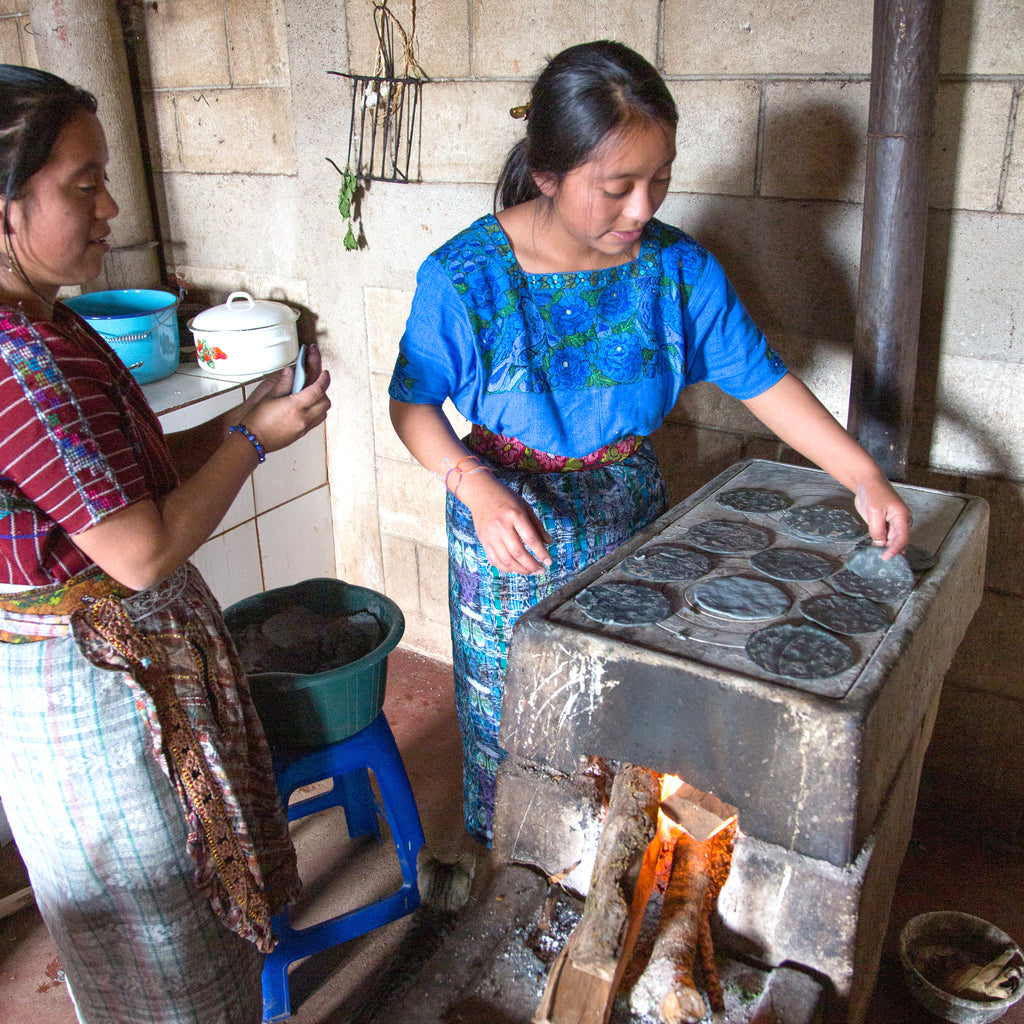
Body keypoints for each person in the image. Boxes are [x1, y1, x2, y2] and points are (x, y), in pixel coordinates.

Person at [389, 40, 911, 847]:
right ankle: (516, 870)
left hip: (630, 507)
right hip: (506, 517)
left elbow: (762, 381)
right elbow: (412, 405)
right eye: (617, 187)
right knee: (519, 717)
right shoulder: (464, 278)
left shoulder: (678, 270)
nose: (643, 209)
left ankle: (616, 871)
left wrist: (861, 475)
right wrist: (472, 483)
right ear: (547, 173)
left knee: (630, 711)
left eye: (659, 177)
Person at [0, 65, 331, 1023]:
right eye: (81, 185)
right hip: (92, 695)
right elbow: (139, 551)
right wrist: (250, 440)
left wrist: (252, 418)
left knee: (184, 940)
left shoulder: (49, 325)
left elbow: (116, 479)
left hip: (115, 672)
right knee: (162, 960)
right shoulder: (16, 362)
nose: (109, 207)